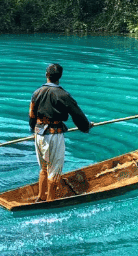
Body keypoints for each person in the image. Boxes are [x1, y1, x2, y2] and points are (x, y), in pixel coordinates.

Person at [29, 63, 92, 201]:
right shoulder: (63, 95)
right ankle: (50, 202)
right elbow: (77, 114)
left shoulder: (36, 93)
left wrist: (33, 130)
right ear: (60, 77)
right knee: (54, 171)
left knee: (44, 168)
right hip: (54, 135)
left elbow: (32, 115)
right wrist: (86, 126)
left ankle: (40, 198)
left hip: (39, 134)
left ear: (46, 75)